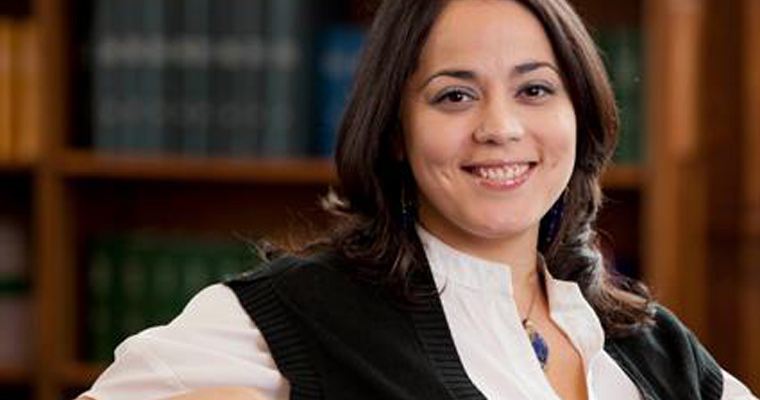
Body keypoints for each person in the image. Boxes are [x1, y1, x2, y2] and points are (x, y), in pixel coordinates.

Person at [77, 0, 758, 399]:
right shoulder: (295, 314)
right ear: (396, 131)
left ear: (579, 117)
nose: (500, 127)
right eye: (454, 95)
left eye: (535, 89)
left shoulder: (652, 346)